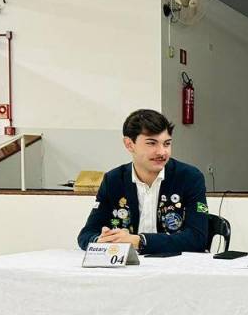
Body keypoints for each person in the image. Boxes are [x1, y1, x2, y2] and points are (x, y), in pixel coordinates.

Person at [77, 109, 208, 254]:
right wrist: (103, 240)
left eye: (166, 144)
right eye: (151, 143)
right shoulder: (113, 180)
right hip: (128, 265)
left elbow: (198, 238)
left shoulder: (190, 177)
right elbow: (86, 235)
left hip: (177, 264)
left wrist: (139, 241)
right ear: (129, 144)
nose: (162, 152)